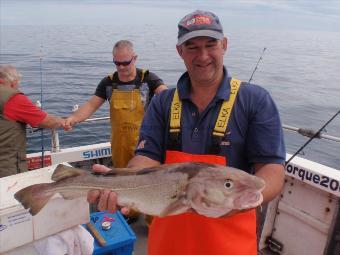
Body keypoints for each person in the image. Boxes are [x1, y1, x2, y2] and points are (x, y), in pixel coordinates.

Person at [87, 10, 286, 255]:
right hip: (167, 244)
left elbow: (273, 171)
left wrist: (239, 203)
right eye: (192, 47)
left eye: (210, 45)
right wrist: (120, 182)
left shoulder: (255, 100)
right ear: (180, 51)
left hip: (230, 245)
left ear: (224, 45)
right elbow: (146, 157)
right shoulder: (163, 102)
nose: (202, 56)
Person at [64, 40, 167, 168]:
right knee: (121, 178)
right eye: (117, 63)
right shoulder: (108, 82)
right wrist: (73, 118)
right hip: (120, 145)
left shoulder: (148, 79)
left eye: (125, 63)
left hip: (145, 144)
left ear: (134, 58)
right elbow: (91, 105)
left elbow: (167, 99)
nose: (121, 67)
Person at [0, 65, 65, 178]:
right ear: (13, 82)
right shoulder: (13, 98)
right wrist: (63, 122)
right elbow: (47, 122)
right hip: (5, 168)